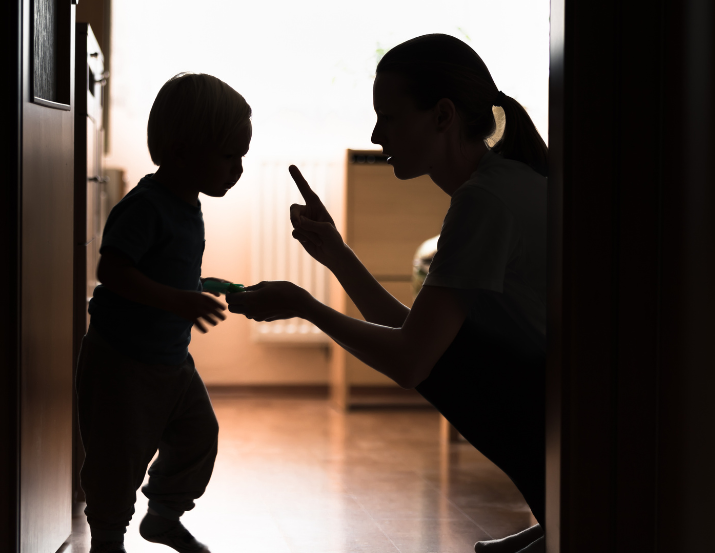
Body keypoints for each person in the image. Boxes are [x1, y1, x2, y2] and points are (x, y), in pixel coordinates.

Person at [228, 34, 548, 553]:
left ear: (443, 116)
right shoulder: (499, 183)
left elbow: (410, 363)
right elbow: (416, 336)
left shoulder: (485, 201)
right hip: (560, 391)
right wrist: (335, 253)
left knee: (448, 361)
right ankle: (556, 521)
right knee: (448, 351)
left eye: (390, 117)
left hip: (573, 406)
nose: (377, 134)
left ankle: (564, 519)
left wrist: (305, 306)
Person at [76, 72, 252, 553]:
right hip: (123, 364)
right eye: (229, 156)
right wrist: (179, 300)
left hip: (171, 362)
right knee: (118, 458)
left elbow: (166, 273)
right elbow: (113, 271)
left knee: (199, 437)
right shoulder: (146, 206)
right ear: (180, 152)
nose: (237, 169)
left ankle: (162, 516)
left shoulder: (187, 204)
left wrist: (206, 287)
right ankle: (108, 539)